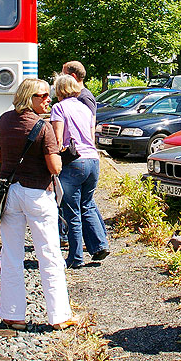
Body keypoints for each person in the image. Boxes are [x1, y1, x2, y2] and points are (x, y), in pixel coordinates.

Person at [0, 78, 77, 330]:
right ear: (29, 97)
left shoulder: (4, 120)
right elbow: (54, 166)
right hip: (38, 194)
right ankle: (59, 316)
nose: (48, 99)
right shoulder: (42, 127)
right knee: (49, 254)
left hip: (10, 193)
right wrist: (60, 157)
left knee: (10, 254)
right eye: (43, 96)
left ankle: (13, 314)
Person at [50, 74, 109, 268]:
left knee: (71, 211)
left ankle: (75, 257)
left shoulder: (58, 108)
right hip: (93, 160)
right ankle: (100, 244)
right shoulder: (84, 108)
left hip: (74, 162)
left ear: (59, 90)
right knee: (88, 204)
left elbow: (58, 140)